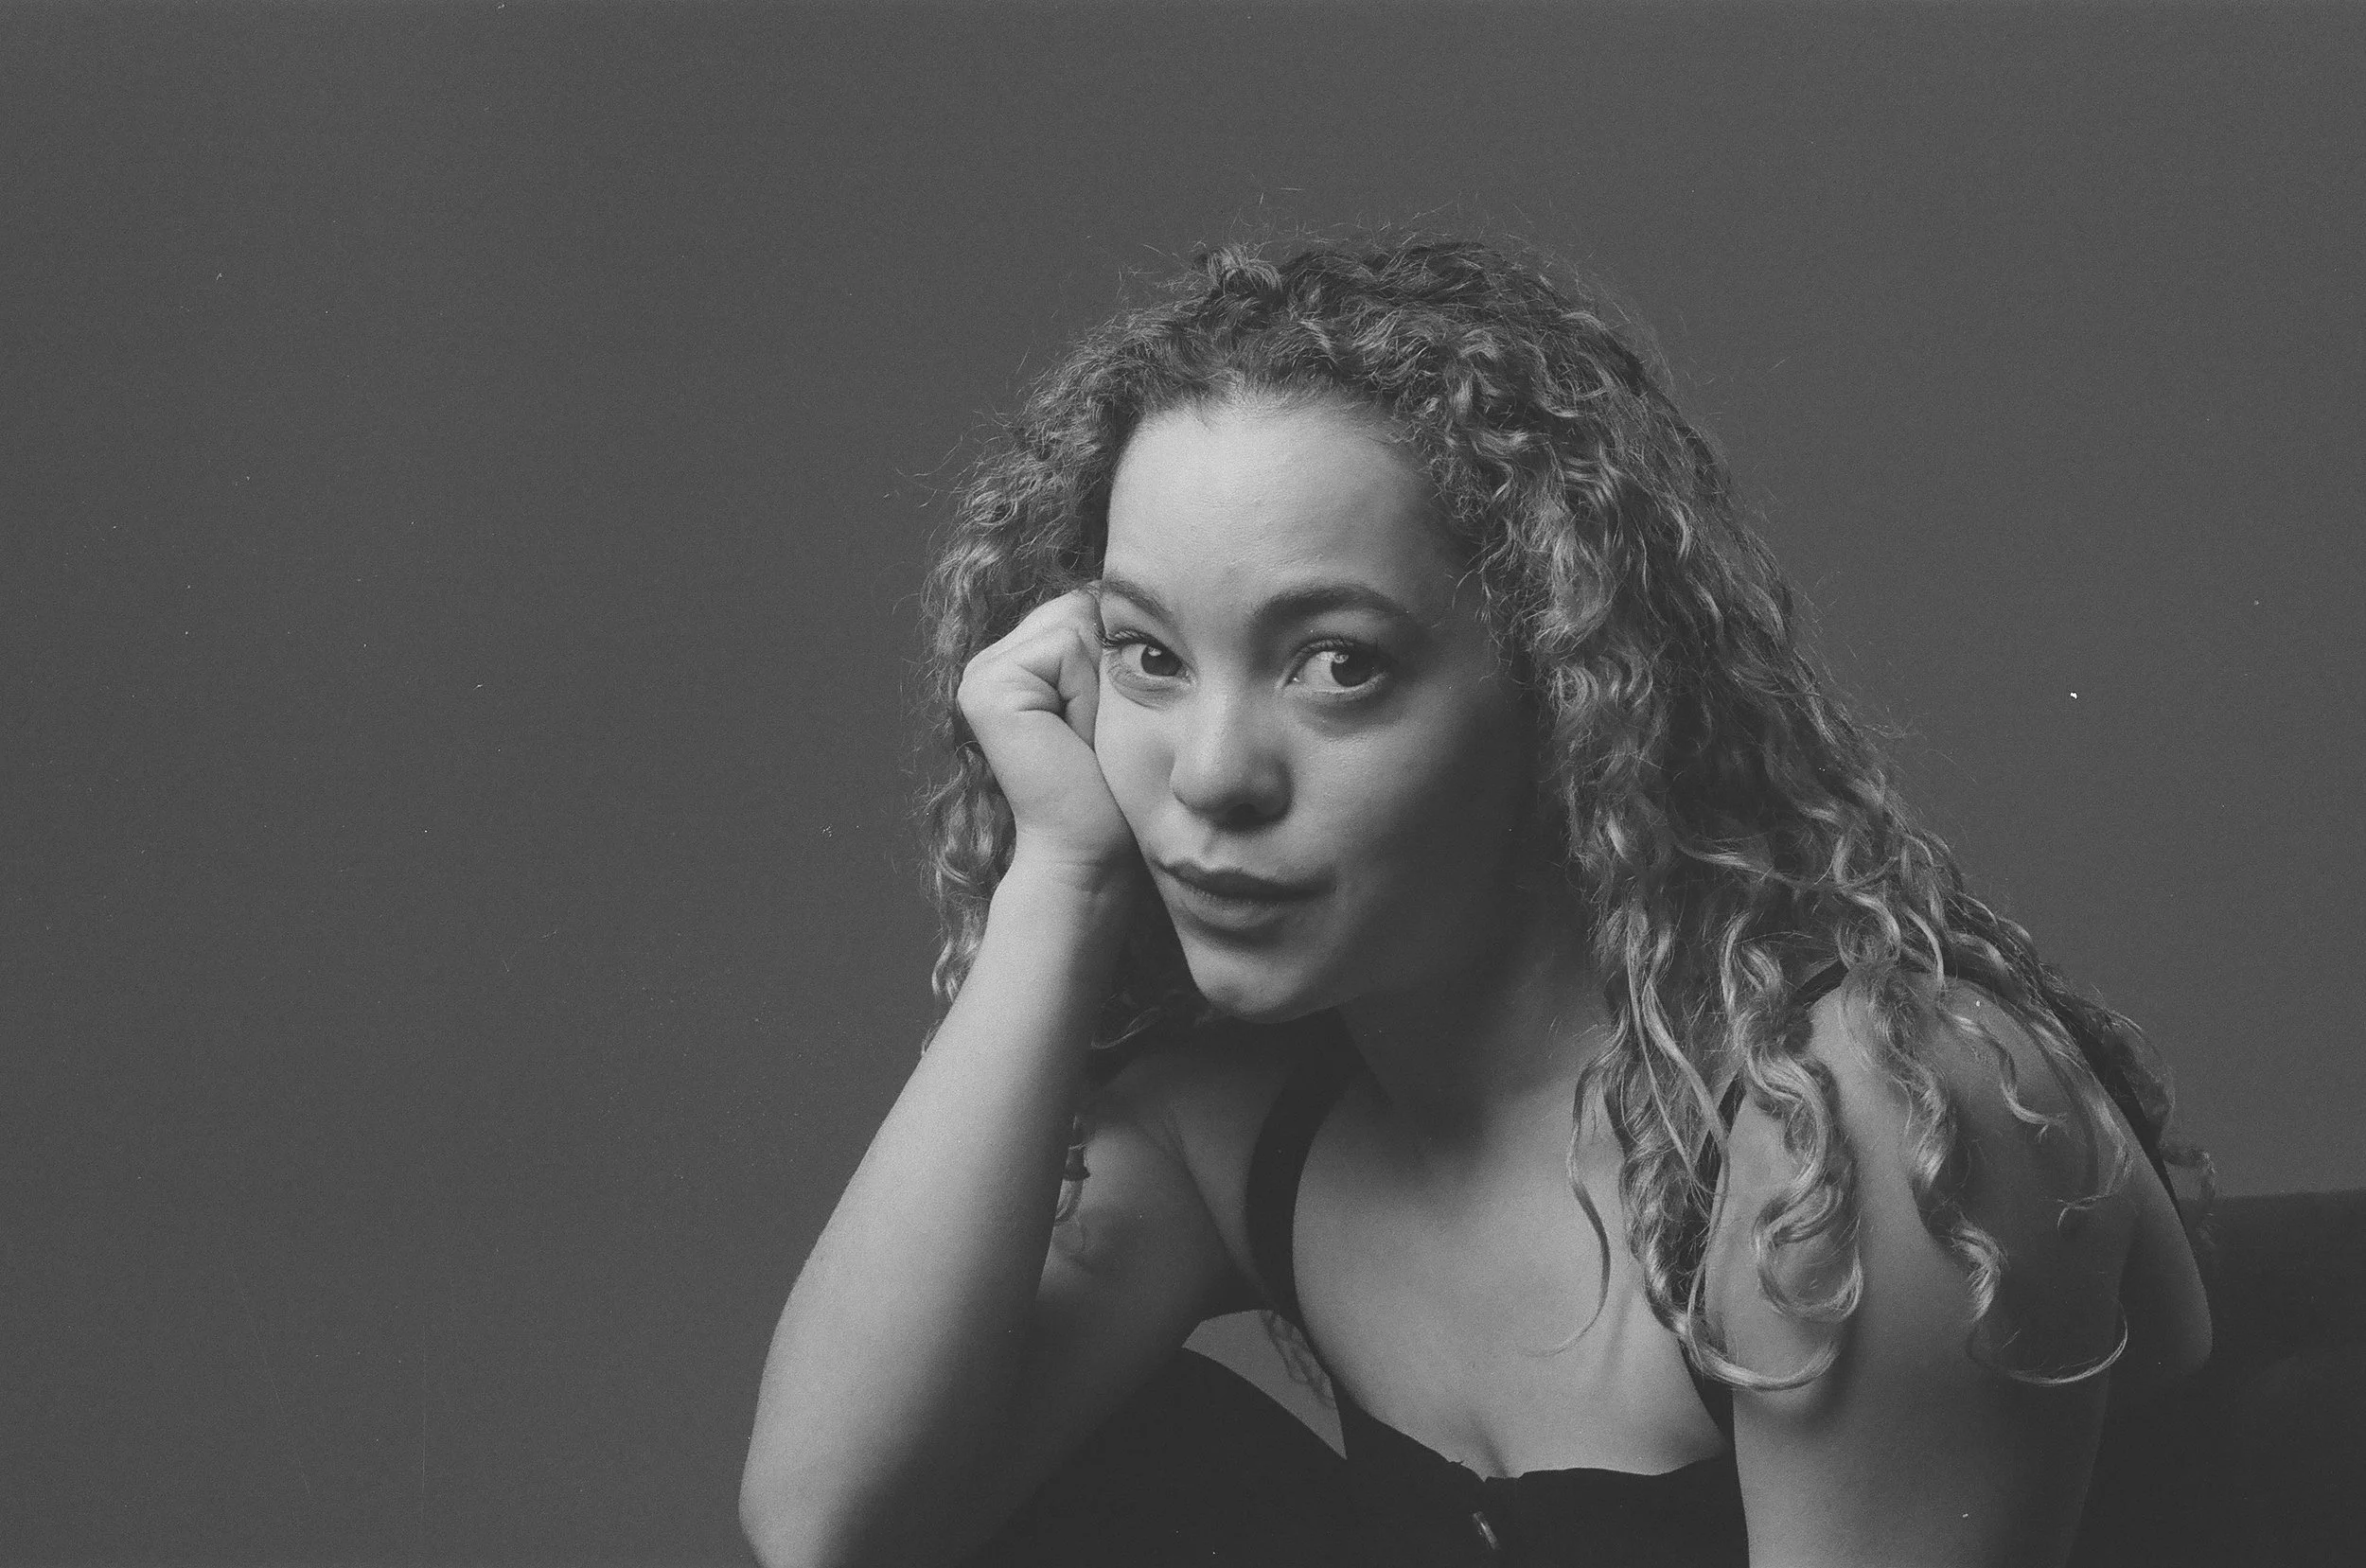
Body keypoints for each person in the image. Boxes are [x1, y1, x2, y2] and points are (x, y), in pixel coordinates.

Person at [738, 235, 2213, 1568]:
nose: (1210, 776)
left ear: (1562, 697)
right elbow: (834, 1523)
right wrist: (1059, 877)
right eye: (1147, 655)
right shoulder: (1250, 1131)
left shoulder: (1857, 1132)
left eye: (1339, 664)